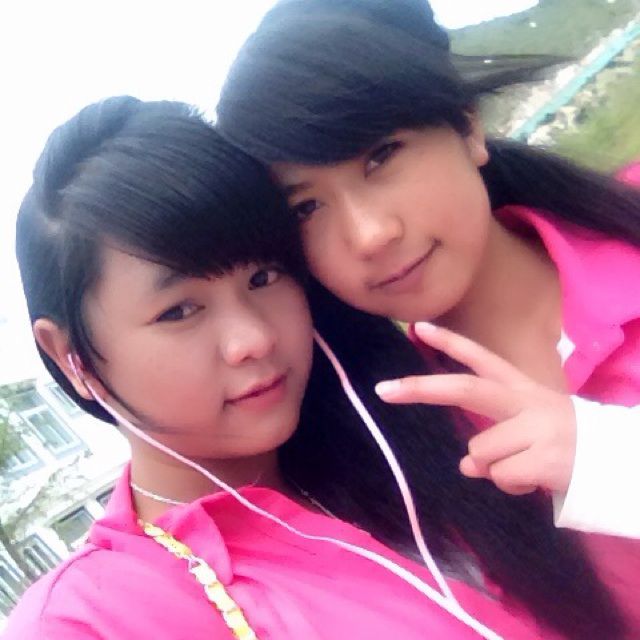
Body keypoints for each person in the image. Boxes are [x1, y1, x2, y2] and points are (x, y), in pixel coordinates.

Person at [3, 96, 624, 639]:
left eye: (263, 277)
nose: (252, 339)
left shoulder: (422, 430)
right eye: (180, 311)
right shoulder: (101, 615)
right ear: (68, 355)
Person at [216, 0, 640, 626]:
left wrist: (609, 464)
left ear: (467, 127)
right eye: (305, 208)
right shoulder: (407, 469)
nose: (369, 234)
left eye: (381, 156)